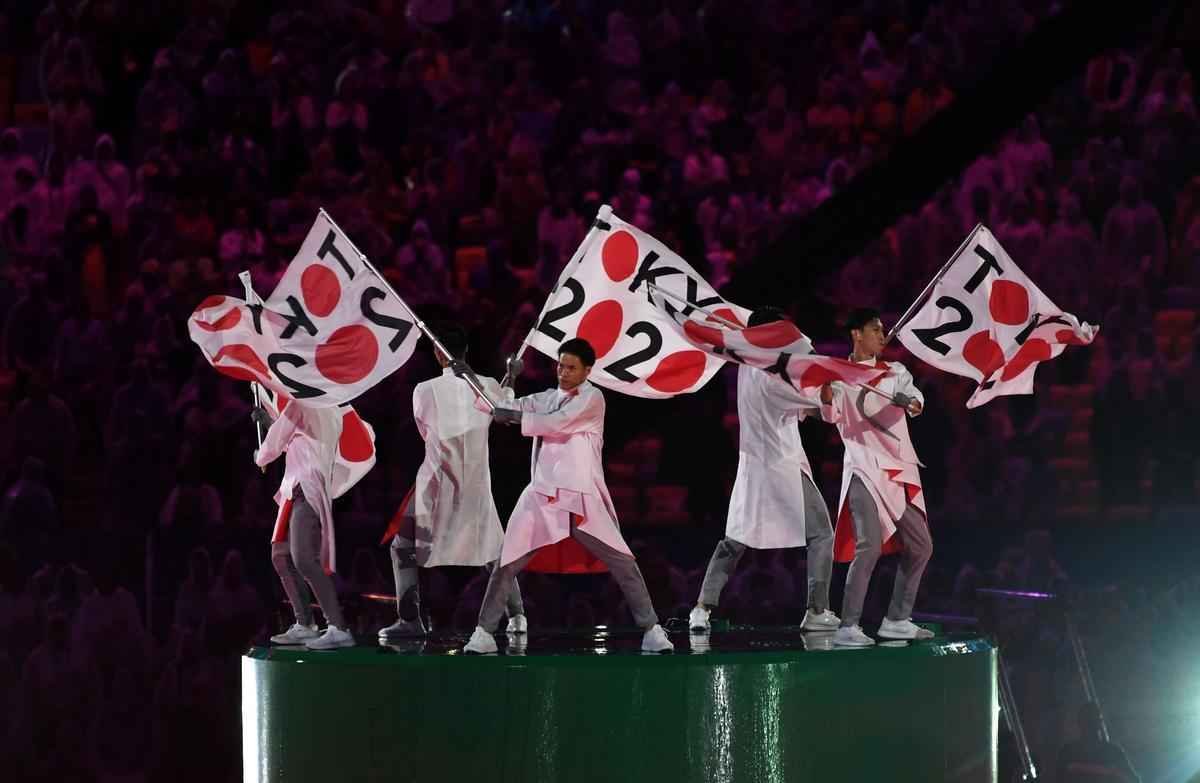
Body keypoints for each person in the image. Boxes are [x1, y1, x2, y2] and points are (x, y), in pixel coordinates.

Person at [459, 338, 673, 653]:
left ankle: (652, 630)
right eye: (561, 365)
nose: (564, 372)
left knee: (624, 563)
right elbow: (500, 407)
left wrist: (514, 417)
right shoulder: (545, 398)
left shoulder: (593, 399)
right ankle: (484, 632)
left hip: (581, 496)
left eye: (571, 367)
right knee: (506, 563)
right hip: (542, 495)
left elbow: (557, 424)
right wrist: (493, 377)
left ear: (588, 370)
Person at [689, 307, 839, 633]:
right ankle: (817, 610)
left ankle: (701, 609)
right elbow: (824, 411)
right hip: (782, 468)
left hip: (752, 469)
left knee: (734, 541)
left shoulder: (745, 370)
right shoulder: (774, 380)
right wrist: (834, 381)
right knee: (822, 534)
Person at [377, 325, 524, 640]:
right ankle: (518, 617)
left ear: (436, 353)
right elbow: (507, 410)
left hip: (437, 482)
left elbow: (423, 429)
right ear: (465, 352)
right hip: (473, 481)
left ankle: (410, 620)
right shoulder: (485, 386)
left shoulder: (424, 390)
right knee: (492, 551)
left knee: (402, 548)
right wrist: (511, 376)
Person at [819, 308, 934, 647]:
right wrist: (824, 383)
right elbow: (829, 411)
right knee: (868, 547)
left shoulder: (894, 371)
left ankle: (897, 619)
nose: (882, 336)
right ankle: (847, 626)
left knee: (921, 546)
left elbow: (916, 402)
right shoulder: (840, 374)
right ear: (856, 334)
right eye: (874, 330)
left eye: (883, 330)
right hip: (863, 469)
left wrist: (910, 402)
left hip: (898, 470)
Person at [252, 398, 353, 650]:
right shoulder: (331, 409)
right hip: (297, 488)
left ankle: (338, 627)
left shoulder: (300, 404)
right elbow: (299, 441)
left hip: (305, 488)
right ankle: (304, 624)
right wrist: (270, 423)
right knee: (281, 555)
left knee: (304, 559)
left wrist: (260, 455)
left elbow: (276, 443)